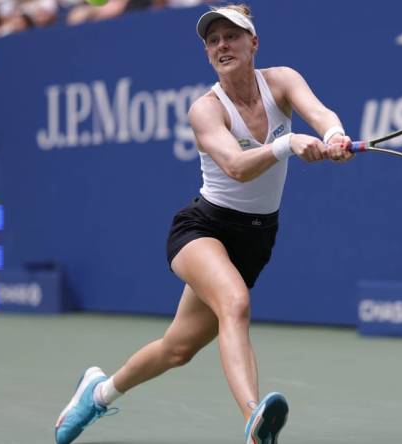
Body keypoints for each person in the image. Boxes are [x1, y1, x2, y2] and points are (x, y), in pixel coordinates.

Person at [53, 3, 354, 444]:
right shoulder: (205, 110)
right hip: (203, 229)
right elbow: (235, 165)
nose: (221, 46)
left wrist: (332, 136)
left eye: (231, 36)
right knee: (234, 303)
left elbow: (321, 112)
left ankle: (96, 393)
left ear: (253, 42)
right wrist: (288, 143)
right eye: (212, 41)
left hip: (256, 237)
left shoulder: (282, 81)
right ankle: (254, 422)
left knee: (177, 349)